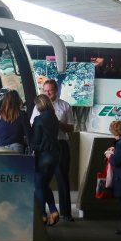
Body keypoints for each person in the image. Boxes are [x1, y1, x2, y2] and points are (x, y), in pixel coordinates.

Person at [30, 79, 75, 221]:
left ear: (56, 90)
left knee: (62, 179)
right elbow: (33, 123)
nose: (48, 93)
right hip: (45, 147)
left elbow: (72, 128)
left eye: (50, 90)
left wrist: (56, 124)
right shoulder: (38, 107)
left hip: (60, 144)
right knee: (43, 182)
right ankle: (44, 212)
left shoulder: (65, 106)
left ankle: (66, 213)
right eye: (45, 90)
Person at [30, 94, 60, 226]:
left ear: (39, 105)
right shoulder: (54, 118)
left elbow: (36, 142)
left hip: (42, 157)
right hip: (54, 156)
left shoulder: (38, 120)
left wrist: (30, 143)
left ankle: (42, 215)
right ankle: (53, 211)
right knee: (44, 185)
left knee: (38, 186)